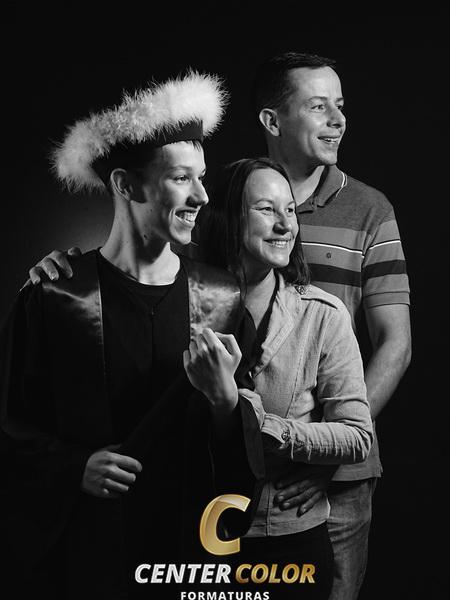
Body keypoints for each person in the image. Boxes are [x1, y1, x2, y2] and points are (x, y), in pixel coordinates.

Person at [0, 71, 264, 600]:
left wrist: (225, 401)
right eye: (181, 178)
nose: (202, 195)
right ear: (125, 185)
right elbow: (9, 425)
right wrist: (73, 468)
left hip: (187, 555)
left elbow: (249, 444)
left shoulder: (222, 299)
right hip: (89, 558)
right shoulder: (57, 297)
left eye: (202, 177)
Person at [249, 52, 412, 599]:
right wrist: (73, 268)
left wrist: (329, 452)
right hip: (240, 469)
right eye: (319, 107)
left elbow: (396, 344)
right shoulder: (229, 202)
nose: (338, 120)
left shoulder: (369, 209)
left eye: (340, 106)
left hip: (338, 483)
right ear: (272, 121)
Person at [187, 157, 373, 600]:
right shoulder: (182, 302)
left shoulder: (322, 315)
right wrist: (65, 269)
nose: (285, 224)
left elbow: (357, 436)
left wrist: (262, 427)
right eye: (267, 209)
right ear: (229, 217)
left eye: (289, 210)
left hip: (288, 543)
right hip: (197, 536)